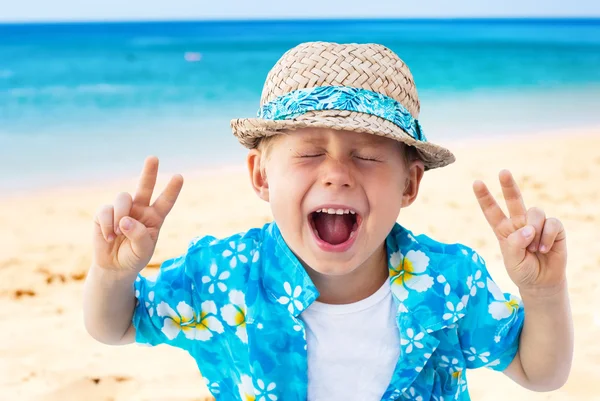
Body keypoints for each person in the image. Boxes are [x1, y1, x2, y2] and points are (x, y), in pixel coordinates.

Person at [83, 42, 573, 401]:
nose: (337, 174)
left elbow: (540, 372)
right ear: (261, 176)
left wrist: (545, 292)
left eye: (366, 155)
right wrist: (113, 273)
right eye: (310, 152)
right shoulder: (219, 275)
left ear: (410, 184)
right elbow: (116, 325)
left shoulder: (450, 281)